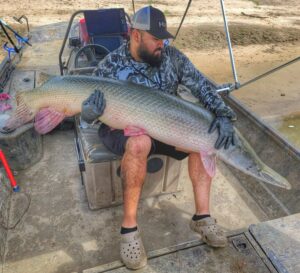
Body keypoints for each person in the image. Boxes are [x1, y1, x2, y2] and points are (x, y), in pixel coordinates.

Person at [81, 6, 237, 270]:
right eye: (156, 38)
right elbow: (88, 109)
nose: (161, 44)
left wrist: (224, 114)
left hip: (165, 124)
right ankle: (129, 231)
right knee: (139, 142)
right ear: (136, 35)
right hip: (122, 128)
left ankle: (202, 217)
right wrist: (89, 114)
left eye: (164, 38)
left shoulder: (172, 57)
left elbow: (202, 86)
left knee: (203, 140)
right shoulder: (110, 65)